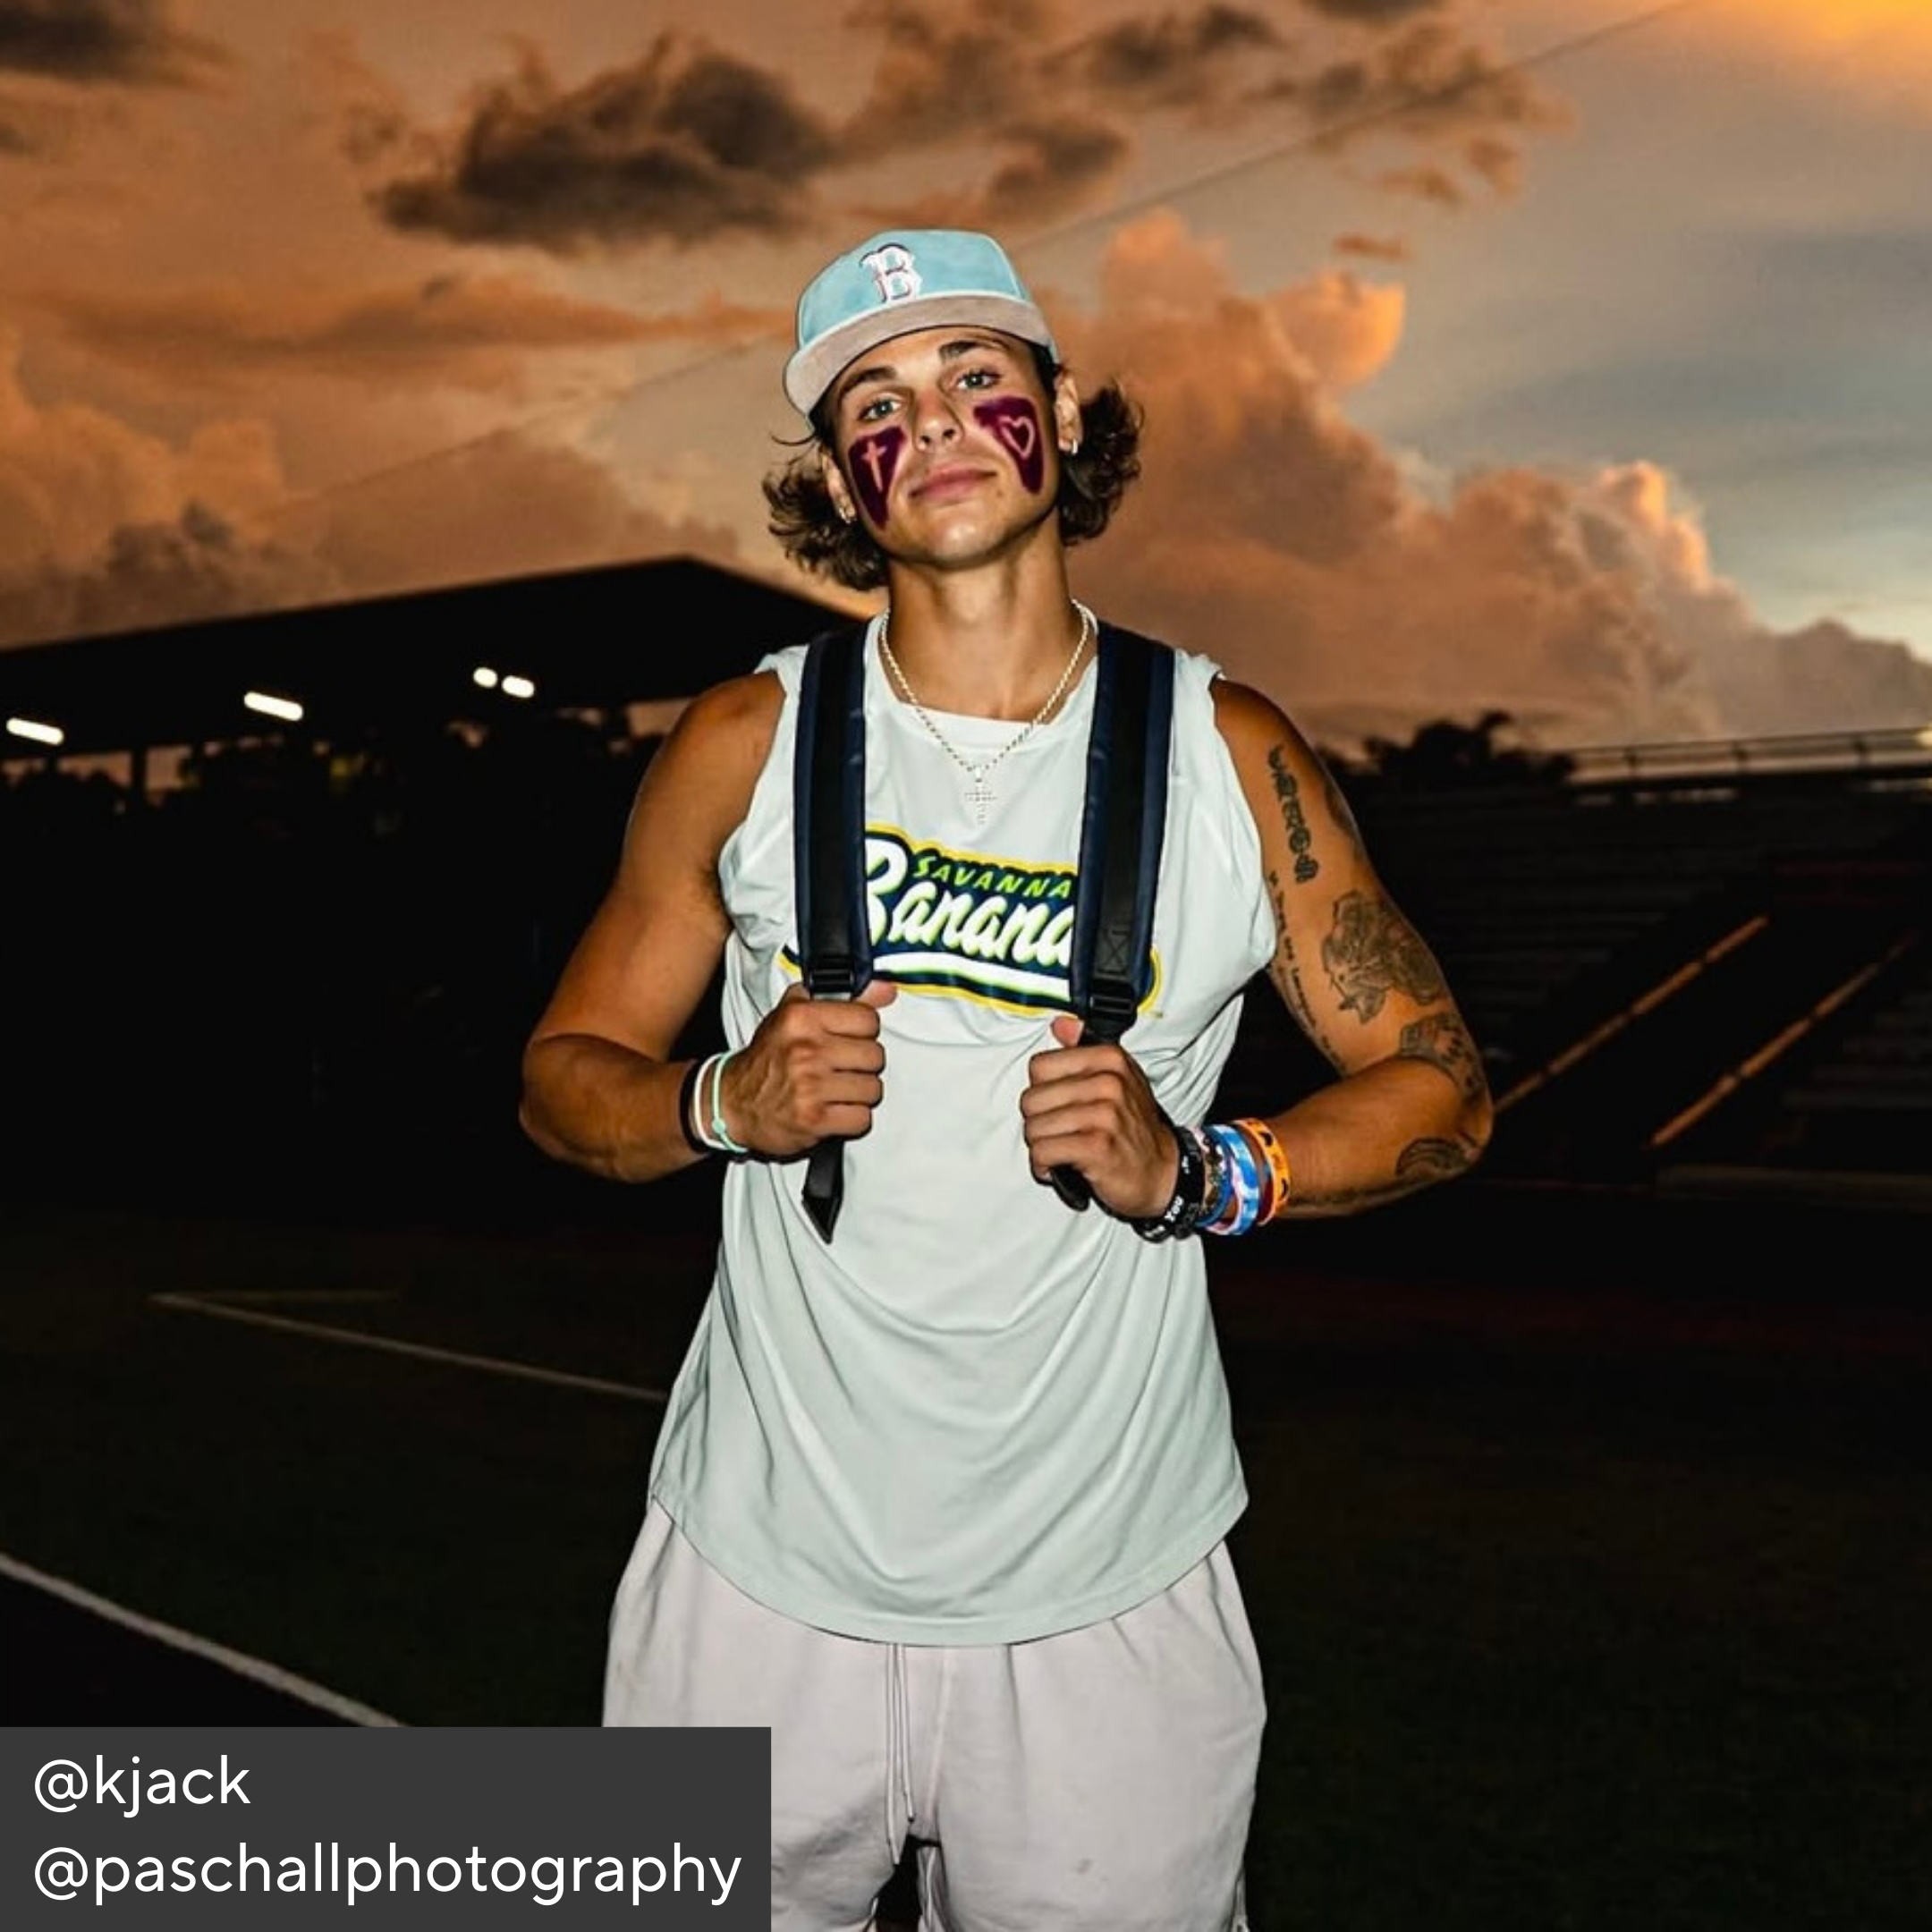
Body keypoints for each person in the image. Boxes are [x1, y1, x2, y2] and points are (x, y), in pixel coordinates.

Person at [519, 228, 1493, 1931]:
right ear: (840, 476)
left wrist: (1208, 1168)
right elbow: (560, 1079)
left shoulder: (1229, 750)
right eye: (879, 403)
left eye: (980, 378)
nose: (942, 421)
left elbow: (1439, 1084)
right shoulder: (744, 740)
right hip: (755, 1584)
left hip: (1109, 1599)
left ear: (1057, 407)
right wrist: (716, 1105)